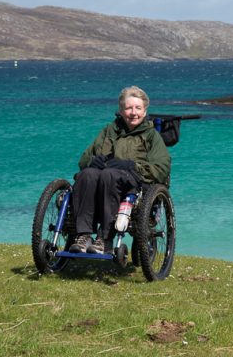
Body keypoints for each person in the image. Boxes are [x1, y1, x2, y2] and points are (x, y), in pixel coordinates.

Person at [70, 86, 171, 254]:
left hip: (134, 180)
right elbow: (84, 160)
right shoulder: (109, 130)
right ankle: (84, 236)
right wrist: (93, 161)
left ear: (145, 112)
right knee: (86, 175)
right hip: (105, 175)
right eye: (129, 108)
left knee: (110, 175)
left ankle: (105, 238)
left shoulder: (151, 135)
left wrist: (132, 166)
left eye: (138, 108)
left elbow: (161, 168)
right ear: (121, 110)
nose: (133, 112)